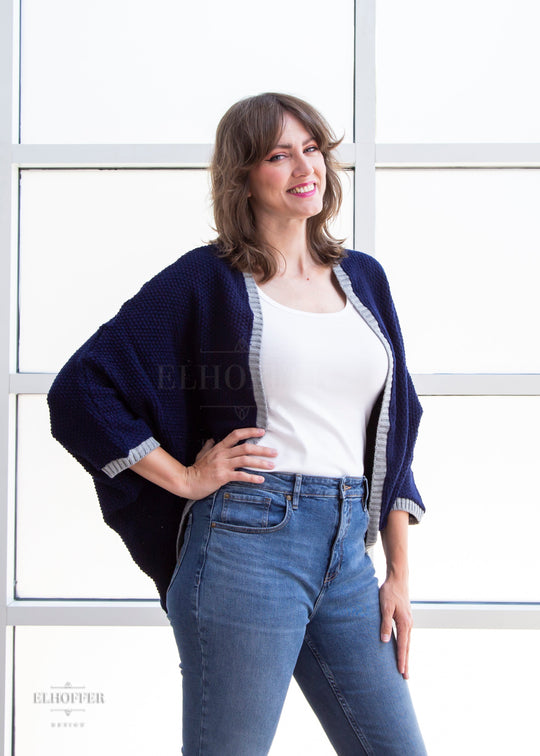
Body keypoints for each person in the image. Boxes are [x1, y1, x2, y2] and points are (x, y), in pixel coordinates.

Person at [48, 92, 427, 755]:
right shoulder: (207, 280)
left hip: (347, 554)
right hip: (246, 542)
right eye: (279, 155)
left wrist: (398, 572)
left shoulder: (363, 280)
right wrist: (187, 478)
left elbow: (393, 434)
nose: (305, 167)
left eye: (312, 149)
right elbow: (82, 388)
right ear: (244, 175)